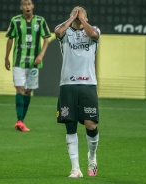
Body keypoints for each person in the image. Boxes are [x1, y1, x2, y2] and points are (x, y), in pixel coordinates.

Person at [55, 6, 100, 178]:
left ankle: (92, 157)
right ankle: (75, 169)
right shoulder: (64, 30)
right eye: (75, 13)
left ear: (87, 17)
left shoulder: (94, 30)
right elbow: (58, 33)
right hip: (67, 85)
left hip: (88, 84)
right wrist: (71, 19)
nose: (78, 15)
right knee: (70, 125)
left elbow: (94, 36)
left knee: (91, 124)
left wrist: (82, 20)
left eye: (82, 14)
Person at [5, 0, 51, 132]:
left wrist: (41, 55)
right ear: (21, 7)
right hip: (19, 62)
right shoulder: (15, 21)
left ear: (33, 6)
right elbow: (10, 39)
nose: (27, 6)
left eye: (29, 4)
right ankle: (19, 121)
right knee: (19, 89)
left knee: (28, 91)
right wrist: (6, 57)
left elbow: (47, 39)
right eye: (24, 4)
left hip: (34, 63)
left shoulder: (40, 21)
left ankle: (21, 121)